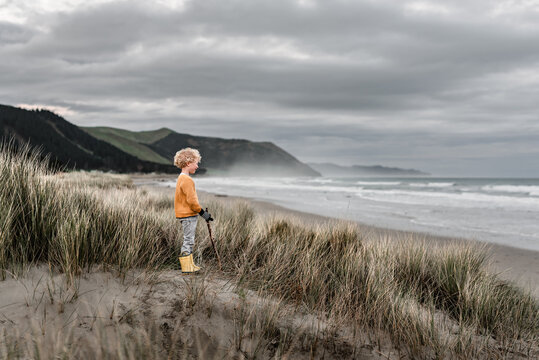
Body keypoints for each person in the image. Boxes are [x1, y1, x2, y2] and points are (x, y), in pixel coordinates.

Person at [173, 148, 213, 273]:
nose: (197, 166)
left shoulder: (181, 178)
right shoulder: (187, 180)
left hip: (183, 214)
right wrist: (202, 213)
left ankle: (189, 264)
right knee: (189, 240)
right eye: (196, 163)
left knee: (188, 239)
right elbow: (192, 201)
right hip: (188, 215)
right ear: (188, 163)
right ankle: (186, 267)